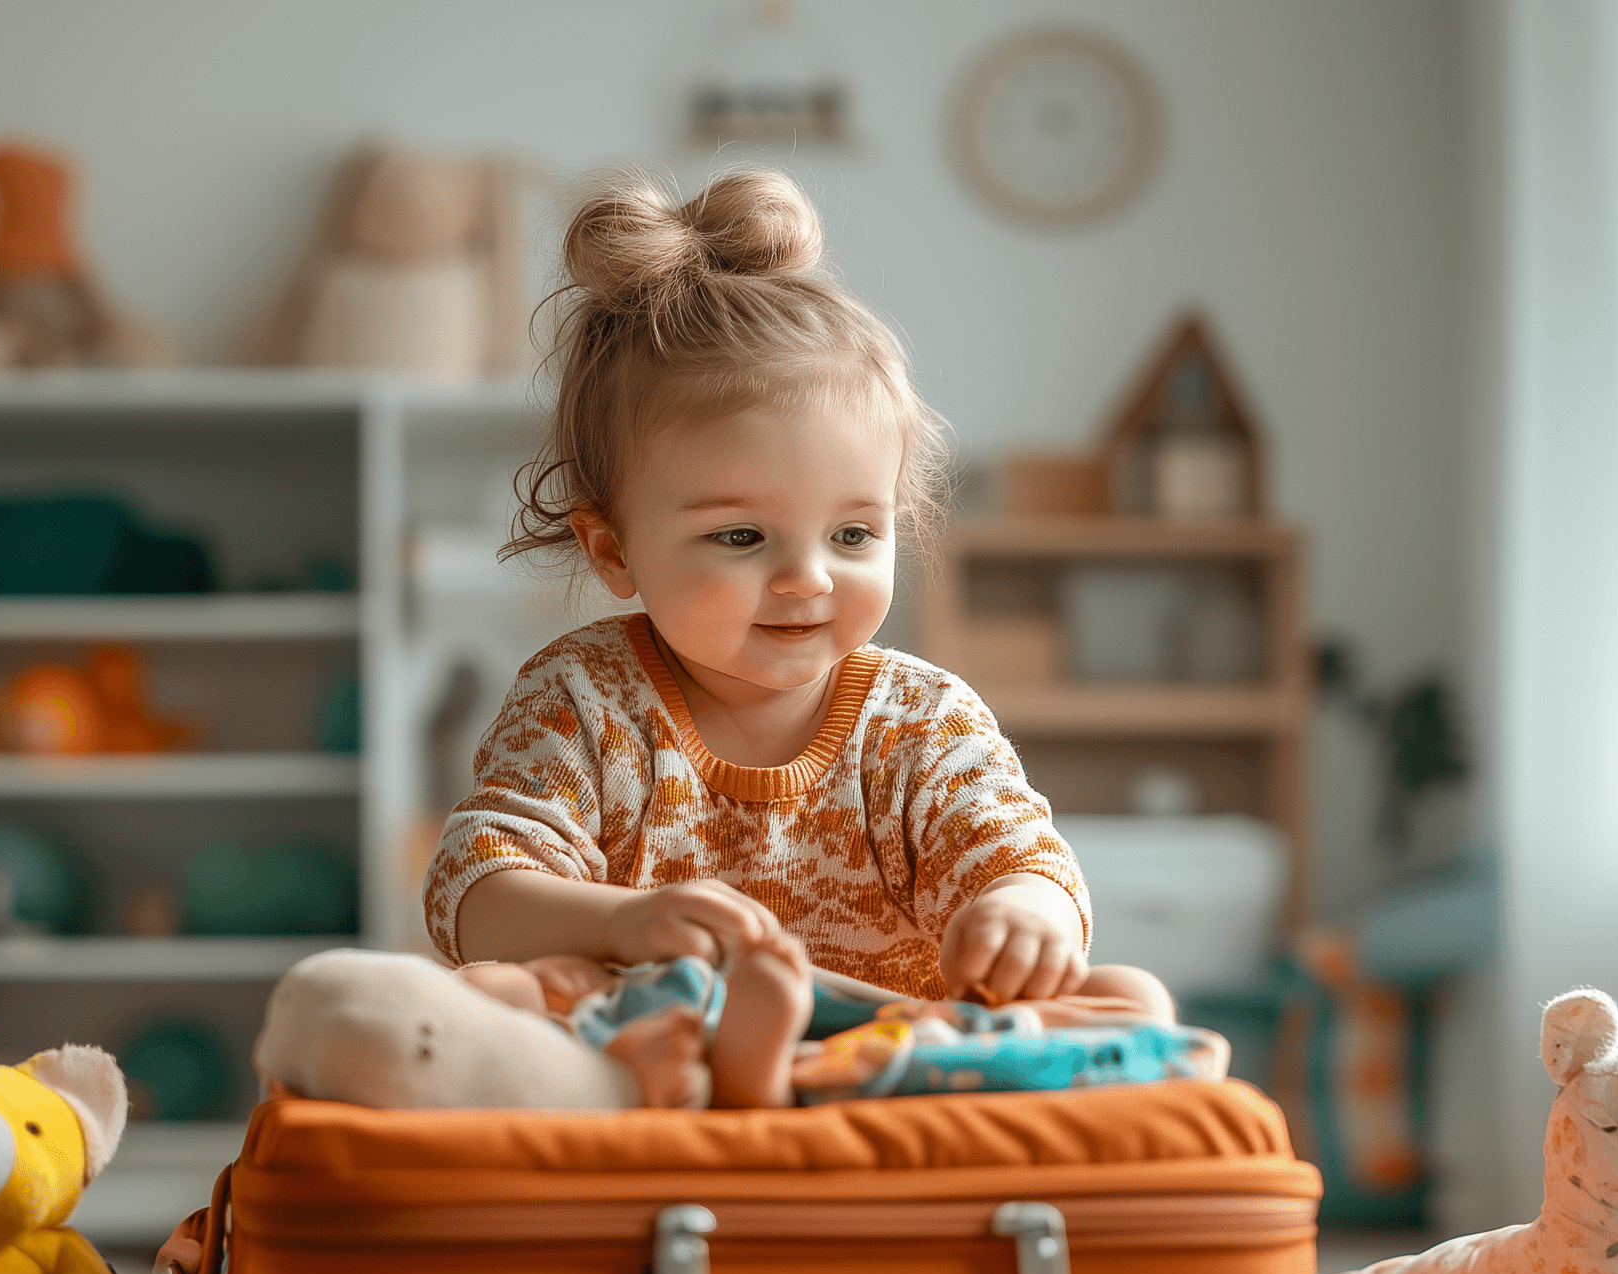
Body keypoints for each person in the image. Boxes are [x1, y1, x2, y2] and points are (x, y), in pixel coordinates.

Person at [422, 165, 1172, 1109]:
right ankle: (733, 1071)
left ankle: (789, 1077)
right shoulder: (585, 696)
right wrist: (628, 924)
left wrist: (1024, 915)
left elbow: (1015, 854)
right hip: (656, 1039)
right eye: (742, 537)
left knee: (1130, 1000)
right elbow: (476, 889)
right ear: (613, 551)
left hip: (887, 1053)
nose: (809, 578)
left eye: (854, 534)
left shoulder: (919, 718)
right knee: (483, 996)